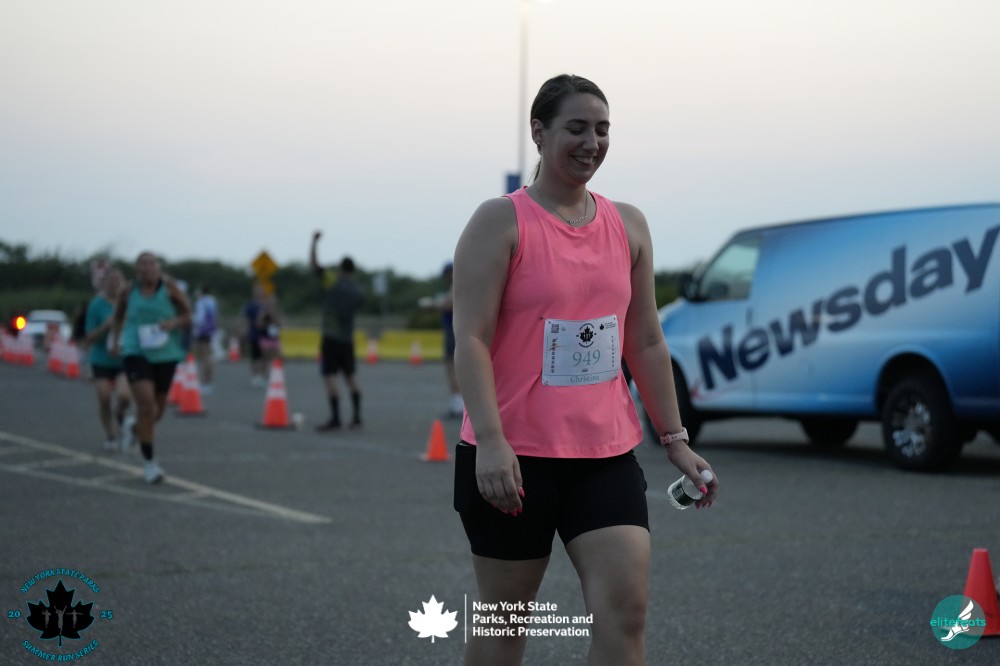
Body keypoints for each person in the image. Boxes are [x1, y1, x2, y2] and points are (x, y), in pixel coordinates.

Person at [452, 74, 720, 666]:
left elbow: (644, 339)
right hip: (512, 458)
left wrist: (675, 439)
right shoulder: (500, 221)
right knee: (504, 625)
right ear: (539, 132)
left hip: (604, 456)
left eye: (602, 130)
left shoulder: (629, 224)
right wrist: (490, 441)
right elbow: (470, 338)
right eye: (576, 128)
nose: (591, 143)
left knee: (626, 613)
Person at [111, 252, 191, 484]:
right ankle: (149, 463)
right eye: (143, 265)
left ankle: (135, 428)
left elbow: (188, 316)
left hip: (165, 352)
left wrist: (173, 322)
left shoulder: (170, 288)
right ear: (137, 269)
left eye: (152, 264)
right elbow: (118, 317)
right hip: (135, 351)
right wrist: (116, 341)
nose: (147, 269)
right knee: (146, 405)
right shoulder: (128, 290)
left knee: (158, 410)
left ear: (159, 268)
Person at [310, 231, 365, 431]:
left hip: (331, 336)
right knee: (351, 376)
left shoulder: (334, 281)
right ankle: (357, 417)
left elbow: (315, 266)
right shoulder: (358, 290)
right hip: (347, 338)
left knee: (330, 376)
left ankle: (335, 418)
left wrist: (314, 243)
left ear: (341, 269)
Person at [83, 268, 134, 452]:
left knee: (125, 396)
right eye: (111, 280)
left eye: (118, 280)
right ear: (104, 283)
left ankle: (120, 414)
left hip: (124, 358)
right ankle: (111, 435)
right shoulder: (96, 305)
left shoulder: (130, 303)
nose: (115, 284)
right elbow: (89, 337)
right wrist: (106, 326)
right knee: (104, 397)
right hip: (101, 359)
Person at [420, 262, 463, 418]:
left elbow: (449, 305)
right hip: (455, 330)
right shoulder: (461, 285)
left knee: (452, 367)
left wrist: (432, 305)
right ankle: (458, 404)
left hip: (453, 330)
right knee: (453, 367)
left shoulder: (458, 286)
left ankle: (458, 405)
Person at [193, 285, 220, 394]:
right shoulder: (212, 301)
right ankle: (208, 382)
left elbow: (199, 319)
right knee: (208, 356)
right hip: (210, 331)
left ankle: (205, 383)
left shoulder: (201, 302)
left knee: (205, 357)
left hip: (202, 331)